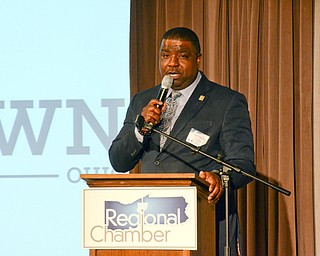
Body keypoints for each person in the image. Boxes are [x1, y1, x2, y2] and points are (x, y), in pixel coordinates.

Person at [109, 27, 255, 256]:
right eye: (165, 55)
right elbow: (118, 161)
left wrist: (218, 177)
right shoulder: (142, 101)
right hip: (148, 227)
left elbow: (243, 164)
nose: (172, 64)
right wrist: (140, 131)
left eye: (182, 56)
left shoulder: (226, 101)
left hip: (201, 223)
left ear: (197, 59)